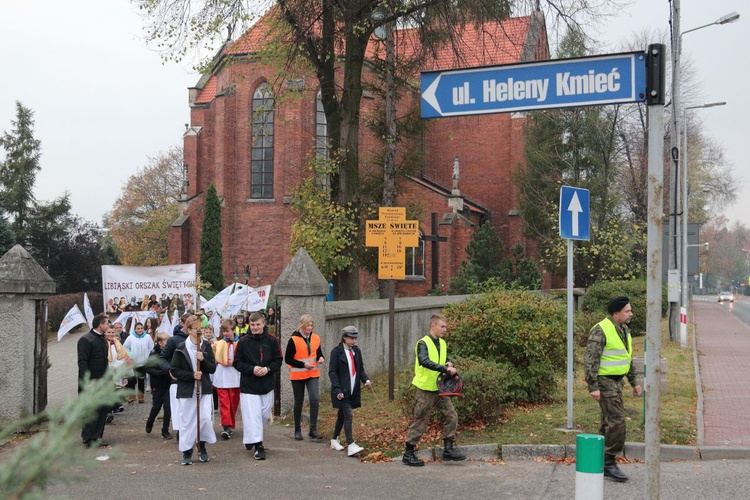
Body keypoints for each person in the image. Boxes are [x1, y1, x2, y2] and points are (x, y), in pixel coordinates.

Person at [584, 295, 643, 482]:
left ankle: (599, 460)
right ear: (615, 313)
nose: (631, 314)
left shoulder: (624, 330)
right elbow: (590, 360)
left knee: (608, 422)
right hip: (605, 381)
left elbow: (627, 358)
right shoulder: (601, 330)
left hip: (617, 382)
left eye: (630, 310)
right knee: (617, 421)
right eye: (627, 311)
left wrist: (635, 382)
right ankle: (609, 462)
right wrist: (593, 386)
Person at [403, 314, 465, 466]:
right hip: (425, 388)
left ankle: (448, 449)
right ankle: (408, 453)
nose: (445, 329)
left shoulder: (442, 343)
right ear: (433, 326)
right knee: (421, 420)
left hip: (440, 387)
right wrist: (445, 368)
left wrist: (448, 363)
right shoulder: (422, 343)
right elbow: (424, 361)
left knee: (451, 415)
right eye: (442, 326)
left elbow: (441, 358)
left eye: (446, 326)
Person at [233, 312, 283, 460]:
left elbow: (278, 360)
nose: (255, 327)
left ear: (263, 324)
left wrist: (267, 369)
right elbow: (237, 362)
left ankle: (250, 437)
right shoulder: (243, 342)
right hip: (249, 385)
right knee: (252, 415)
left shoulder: (272, 340)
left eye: (258, 324)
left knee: (262, 415)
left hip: (266, 384)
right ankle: (258, 446)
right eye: (252, 325)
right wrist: (252, 369)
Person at [170, 315, 217, 465]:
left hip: (204, 389)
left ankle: (201, 446)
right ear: (189, 330)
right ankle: (187, 451)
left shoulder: (206, 346)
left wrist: (203, 360)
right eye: (197, 329)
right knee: (187, 421)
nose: (200, 331)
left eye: (201, 328)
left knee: (204, 418)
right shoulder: (181, 348)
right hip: (187, 390)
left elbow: (212, 368)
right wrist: (192, 375)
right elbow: (175, 370)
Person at [328, 326, 371, 457]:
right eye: (351, 338)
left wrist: (366, 380)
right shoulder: (336, 352)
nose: (354, 341)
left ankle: (335, 439)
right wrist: (337, 390)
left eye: (355, 338)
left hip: (353, 390)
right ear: (344, 338)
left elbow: (360, 369)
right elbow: (332, 372)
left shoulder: (356, 351)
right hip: (341, 391)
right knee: (349, 414)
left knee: (342, 415)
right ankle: (351, 444)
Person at [285, 314, 325, 441]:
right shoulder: (294, 339)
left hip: (312, 373)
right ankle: (297, 430)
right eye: (308, 325)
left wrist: (321, 358)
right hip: (298, 375)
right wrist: (303, 364)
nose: (310, 327)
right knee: (299, 401)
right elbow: (288, 358)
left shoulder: (316, 338)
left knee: (314, 399)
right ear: (302, 325)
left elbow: (318, 352)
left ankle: (313, 429)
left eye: (312, 325)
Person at [77, 313, 111, 447]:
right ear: (100, 325)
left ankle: (97, 436)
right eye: (107, 323)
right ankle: (88, 437)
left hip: (103, 380)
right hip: (91, 381)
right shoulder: (86, 340)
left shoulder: (102, 339)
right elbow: (82, 362)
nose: (108, 326)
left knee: (102, 409)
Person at [160, 312, 191, 441]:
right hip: (177, 380)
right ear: (182, 324)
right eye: (189, 325)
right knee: (179, 409)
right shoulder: (174, 340)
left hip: (194, 379)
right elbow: (162, 358)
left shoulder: (199, 339)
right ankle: (180, 432)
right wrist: (170, 370)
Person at [213, 319, 241, 439]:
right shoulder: (219, 343)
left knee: (233, 402)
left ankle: (230, 424)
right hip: (222, 375)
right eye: (224, 331)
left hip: (235, 375)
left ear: (233, 330)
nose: (226, 334)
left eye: (228, 331)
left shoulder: (240, 343)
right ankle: (226, 426)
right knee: (224, 402)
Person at [145, 332, 173, 439]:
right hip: (157, 384)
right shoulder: (154, 354)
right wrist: (159, 372)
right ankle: (150, 421)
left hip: (168, 384)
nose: (168, 343)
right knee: (156, 407)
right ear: (160, 342)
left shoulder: (170, 352)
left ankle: (165, 430)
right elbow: (148, 368)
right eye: (166, 341)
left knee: (168, 408)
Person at [104, 324, 131, 420]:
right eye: (109, 332)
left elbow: (123, 356)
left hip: (116, 370)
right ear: (105, 333)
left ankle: (112, 408)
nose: (111, 334)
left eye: (112, 333)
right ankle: (108, 411)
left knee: (115, 390)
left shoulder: (117, 343)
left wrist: (117, 366)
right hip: (106, 370)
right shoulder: (103, 343)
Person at [123, 322, 154, 404]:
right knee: (132, 380)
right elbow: (125, 348)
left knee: (141, 380)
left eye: (141, 328)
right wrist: (130, 356)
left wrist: (148, 357)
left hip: (143, 362)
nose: (140, 330)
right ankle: (132, 396)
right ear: (135, 329)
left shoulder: (147, 337)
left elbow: (151, 348)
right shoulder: (130, 337)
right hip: (133, 362)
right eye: (138, 328)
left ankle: (141, 396)